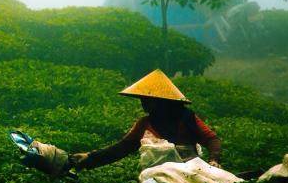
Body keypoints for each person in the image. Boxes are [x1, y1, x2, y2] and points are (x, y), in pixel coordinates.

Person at [71, 69, 222, 171]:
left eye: (148, 100)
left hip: (192, 171)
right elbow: (122, 148)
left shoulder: (187, 118)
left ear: (163, 101)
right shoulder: (145, 124)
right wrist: (90, 157)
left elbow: (212, 139)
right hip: (158, 175)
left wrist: (214, 160)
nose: (143, 104)